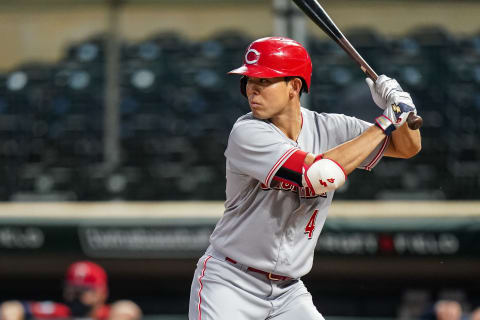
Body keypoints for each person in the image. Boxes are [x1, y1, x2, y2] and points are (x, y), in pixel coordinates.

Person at [188, 36, 421, 319]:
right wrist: (385, 121)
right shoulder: (247, 132)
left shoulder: (330, 127)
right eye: (250, 80)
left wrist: (403, 108)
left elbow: (407, 148)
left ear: (294, 87)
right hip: (230, 282)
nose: (253, 90)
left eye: (264, 81)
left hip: (288, 291)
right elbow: (321, 175)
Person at [0, 260, 142, 320]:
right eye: (71, 290)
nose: (74, 297)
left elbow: (128, 309)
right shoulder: (59, 312)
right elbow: (11, 308)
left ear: (101, 293)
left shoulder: (108, 313)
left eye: (82, 291)